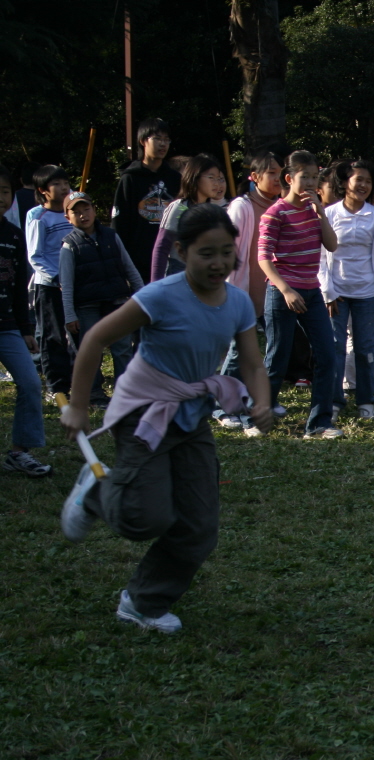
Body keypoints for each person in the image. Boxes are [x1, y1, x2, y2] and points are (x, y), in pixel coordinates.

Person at [59, 203, 273, 633]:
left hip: (191, 416)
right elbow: (96, 338)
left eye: (226, 252)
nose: (219, 263)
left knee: (200, 526)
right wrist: (79, 405)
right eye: (206, 253)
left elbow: (252, 363)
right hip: (144, 411)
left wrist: (262, 402)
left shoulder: (237, 302)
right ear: (181, 251)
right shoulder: (159, 296)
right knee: (145, 518)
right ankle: (96, 492)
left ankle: (143, 602)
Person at [257, 150, 343, 439]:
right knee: (277, 358)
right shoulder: (275, 213)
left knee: (327, 355)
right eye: (304, 176)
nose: (309, 183)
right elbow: (264, 258)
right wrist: (285, 290)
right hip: (282, 293)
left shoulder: (314, 211)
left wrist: (321, 213)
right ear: (289, 178)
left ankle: (319, 423)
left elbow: (332, 245)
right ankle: (259, 417)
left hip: (311, 291)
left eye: (314, 177)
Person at [319, 160, 374, 421]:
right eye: (358, 180)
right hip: (337, 294)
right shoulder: (329, 214)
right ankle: (334, 401)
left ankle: (366, 400)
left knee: (365, 348)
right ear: (345, 183)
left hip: (367, 293)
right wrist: (327, 291)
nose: (364, 185)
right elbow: (320, 258)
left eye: (368, 181)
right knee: (335, 348)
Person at [215, 152, 285, 431]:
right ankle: (222, 406)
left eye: (280, 173)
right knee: (238, 352)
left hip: (271, 290)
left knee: (273, 348)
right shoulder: (241, 206)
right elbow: (229, 250)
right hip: (241, 292)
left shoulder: (281, 205)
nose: (278, 179)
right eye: (271, 173)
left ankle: (263, 399)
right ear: (254, 177)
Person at [59, 192, 142, 403]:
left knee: (123, 348)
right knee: (90, 350)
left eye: (86, 209)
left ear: (94, 210)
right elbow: (66, 284)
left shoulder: (112, 236)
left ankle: (125, 392)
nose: (83, 215)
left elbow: (130, 268)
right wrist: (69, 314)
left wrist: (142, 297)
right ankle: (94, 393)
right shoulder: (69, 245)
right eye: (76, 212)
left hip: (117, 301)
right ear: (68, 217)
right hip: (87, 306)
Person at [0, 165, 51, 477]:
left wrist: (26, 328)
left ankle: (20, 453)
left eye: (5, 191)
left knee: (31, 384)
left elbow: (20, 287)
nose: (0, 197)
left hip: (7, 326)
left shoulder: (14, 235)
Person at [111, 118, 182, 282]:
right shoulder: (130, 178)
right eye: (157, 139)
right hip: (138, 260)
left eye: (166, 140)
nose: (163, 144)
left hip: (170, 258)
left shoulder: (175, 178)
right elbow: (120, 223)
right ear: (143, 141)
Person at [25, 164, 74, 399]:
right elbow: (35, 256)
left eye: (66, 183)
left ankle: (79, 381)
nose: (64, 188)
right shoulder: (37, 216)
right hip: (49, 285)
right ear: (43, 190)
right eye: (56, 184)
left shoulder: (72, 211)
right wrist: (56, 277)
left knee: (76, 333)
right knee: (52, 336)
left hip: (74, 282)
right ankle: (56, 386)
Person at [150, 154, 228, 281]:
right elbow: (162, 247)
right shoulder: (179, 207)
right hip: (178, 273)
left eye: (219, 179)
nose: (217, 184)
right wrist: (155, 284)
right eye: (211, 178)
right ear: (195, 177)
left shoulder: (213, 211)